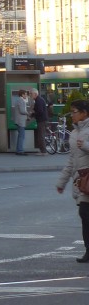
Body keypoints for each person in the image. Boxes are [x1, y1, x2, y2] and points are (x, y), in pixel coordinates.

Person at [55, 99, 89, 263]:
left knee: (85, 213)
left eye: (74, 112)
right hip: (82, 182)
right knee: (84, 214)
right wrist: (62, 182)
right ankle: (88, 250)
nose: (72, 116)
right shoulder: (74, 133)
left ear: (84, 113)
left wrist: (87, 146)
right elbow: (71, 160)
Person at [11, 89, 30, 155]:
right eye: (25, 94)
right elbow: (22, 111)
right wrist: (28, 113)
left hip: (19, 120)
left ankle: (19, 149)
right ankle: (20, 150)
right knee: (22, 136)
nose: (26, 95)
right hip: (20, 121)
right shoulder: (21, 101)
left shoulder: (18, 100)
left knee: (20, 135)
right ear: (22, 95)